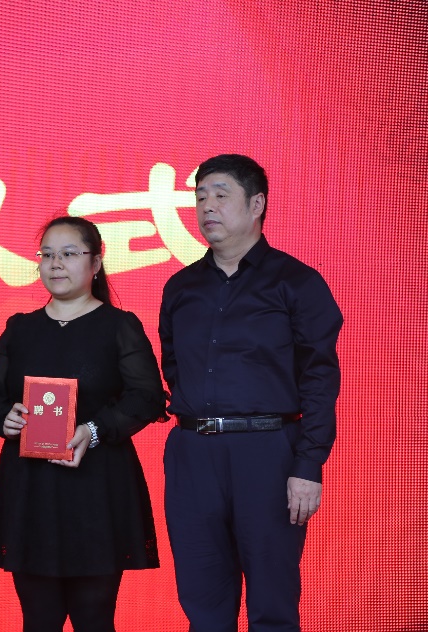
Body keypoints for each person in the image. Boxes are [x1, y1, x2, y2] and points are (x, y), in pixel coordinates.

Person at [160, 154, 342, 631]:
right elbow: (173, 365)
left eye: (221, 195)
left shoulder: (296, 282)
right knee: (202, 599)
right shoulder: (180, 287)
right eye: (200, 197)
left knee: (272, 602)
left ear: (257, 204)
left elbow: (319, 378)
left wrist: (307, 465)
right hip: (193, 453)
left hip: (267, 453)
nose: (207, 207)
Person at [0, 216, 165, 632]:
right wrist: (4, 417)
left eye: (68, 254)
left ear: (96, 263)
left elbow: (147, 396)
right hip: (31, 489)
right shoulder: (20, 328)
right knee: (38, 619)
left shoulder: (119, 326)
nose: (55, 263)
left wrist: (93, 431)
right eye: (47, 255)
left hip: (97, 487)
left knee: (94, 619)